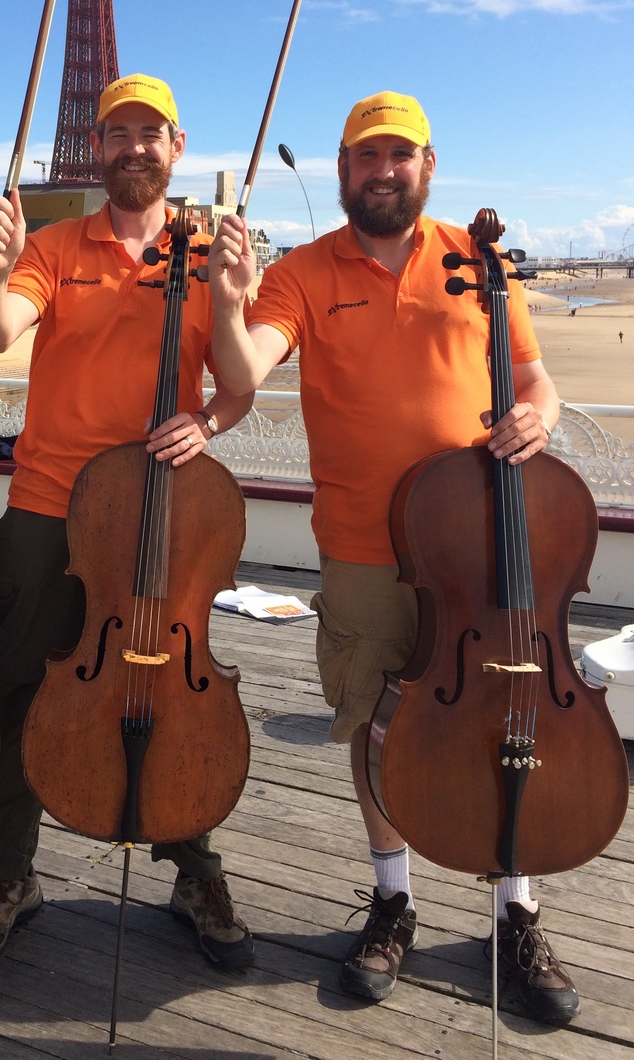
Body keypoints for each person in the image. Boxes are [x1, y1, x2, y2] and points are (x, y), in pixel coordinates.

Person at [207, 91, 580, 1024]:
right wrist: (222, 300)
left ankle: (514, 907)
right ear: (342, 171)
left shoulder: (479, 257)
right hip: (366, 549)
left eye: (398, 155)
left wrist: (542, 415)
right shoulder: (301, 270)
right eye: (365, 157)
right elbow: (245, 370)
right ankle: (393, 896)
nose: (382, 170)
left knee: (505, 717)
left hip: (482, 545)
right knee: (374, 723)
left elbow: (531, 376)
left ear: (428, 164)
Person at [0, 73, 255, 973]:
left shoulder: (210, 256)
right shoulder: (54, 245)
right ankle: (9, 874)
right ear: (99, 146)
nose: (134, 148)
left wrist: (208, 420)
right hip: (50, 507)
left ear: (177, 146)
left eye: (149, 134)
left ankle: (194, 868)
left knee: (171, 690)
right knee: (18, 684)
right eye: (117, 133)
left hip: (160, 513)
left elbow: (239, 386)